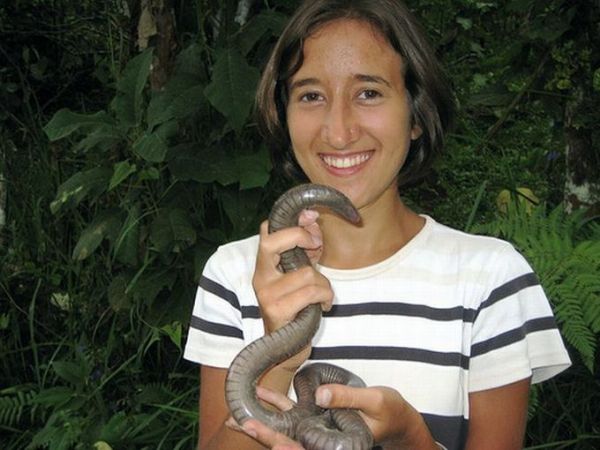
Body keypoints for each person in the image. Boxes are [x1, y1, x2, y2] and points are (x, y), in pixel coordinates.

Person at [183, 0, 571, 449]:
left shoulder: (491, 280)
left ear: (417, 116)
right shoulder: (231, 275)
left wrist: (412, 439)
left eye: (368, 92)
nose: (339, 130)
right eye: (311, 95)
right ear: (284, 115)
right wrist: (278, 356)